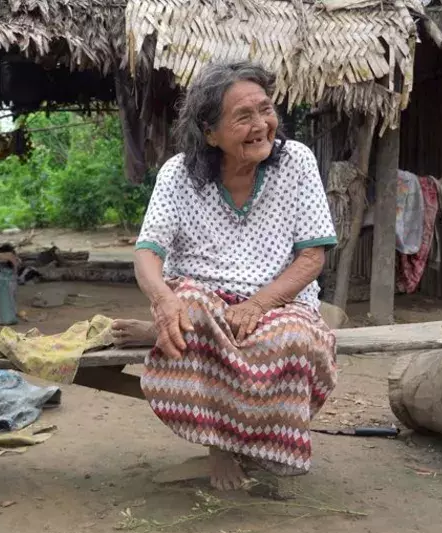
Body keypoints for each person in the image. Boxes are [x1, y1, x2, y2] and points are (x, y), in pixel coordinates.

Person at [111, 61, 339, 493]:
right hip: (203, 296)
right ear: (209, 132)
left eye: (265, 110)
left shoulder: (297, 163)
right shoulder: (179, 174)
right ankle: (219, 443)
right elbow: (147, 253)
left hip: (278, 301)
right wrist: (162, 299)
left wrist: (257, 305)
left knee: (291, 341)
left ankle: (268, 441)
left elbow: (312, 256)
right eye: (243, 117)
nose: (262, 125)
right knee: (190, 311)